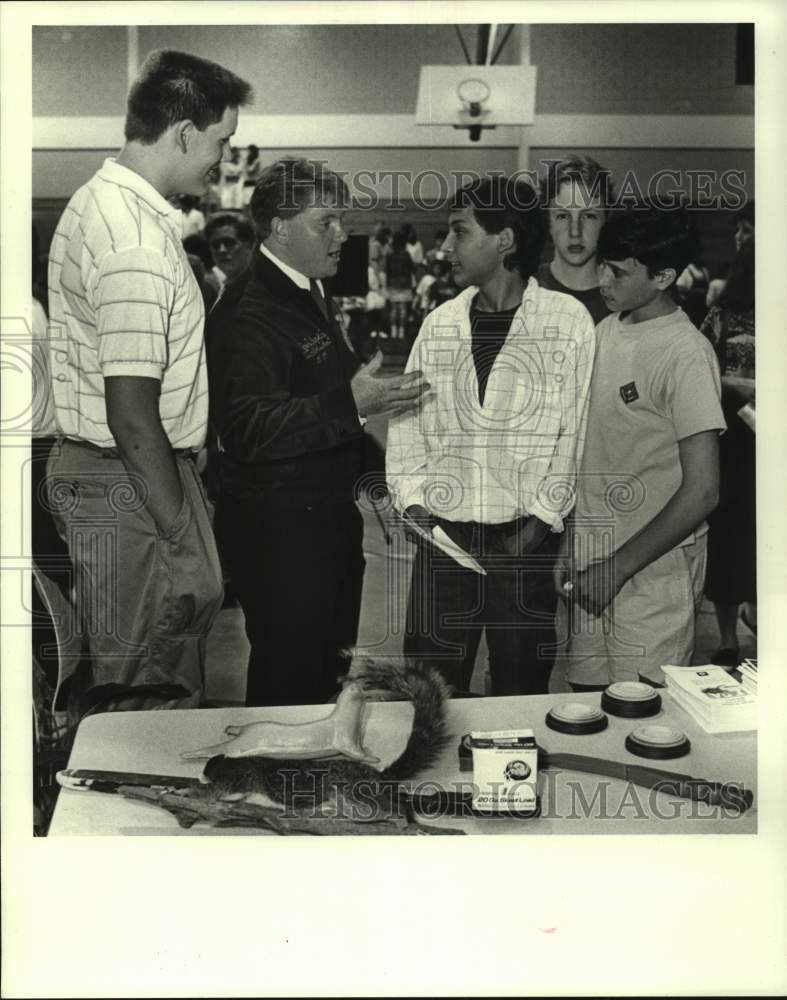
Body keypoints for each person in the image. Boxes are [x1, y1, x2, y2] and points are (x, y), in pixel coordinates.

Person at [45, 49, 252, 713]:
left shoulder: (100, 202)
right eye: (221, 140)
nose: (222, 157)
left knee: (148, 678)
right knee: (146, 697)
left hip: (126, 477)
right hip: (130, 480)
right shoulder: (133, 238)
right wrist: (181, 539)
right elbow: (131, 412)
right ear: (185, 132)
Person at [211, 157, 430, 707]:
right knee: (289, 685)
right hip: (281, 540)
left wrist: (389, 478)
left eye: (341, 220)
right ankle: (282, 789)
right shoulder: (249, 309)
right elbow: (245, 428)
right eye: (326, 222)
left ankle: (314, 785)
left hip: (323, 530)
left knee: (325, 680)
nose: (343, 234)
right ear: (281, 228)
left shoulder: (308, 290)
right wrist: (351, 401)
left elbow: (324, 392)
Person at [386, 176, 596, 696]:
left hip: (524, 547)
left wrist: (539, 525)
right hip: (444, 547)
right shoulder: (439, 324)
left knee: (519, 694)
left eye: (459, 232)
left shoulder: (567, 322)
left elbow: (573, 435)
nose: (447, 246)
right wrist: (413, 505)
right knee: (428, 693)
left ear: (504, 240)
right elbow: (407, 425)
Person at [557, 205, 725, 691]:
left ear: (664, 276)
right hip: (593, 565)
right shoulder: (606, 330)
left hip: (653, 573)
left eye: (618, 271)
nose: (602, 280)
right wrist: (571, 543)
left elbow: (703, 492)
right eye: (602, 265)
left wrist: (618, 567)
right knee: (584, 710)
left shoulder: (685, 354)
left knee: (641, 725)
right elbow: (591, 452)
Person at [699, 227, 756, 667]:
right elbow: (701, 373)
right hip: (735, 440)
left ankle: (758, 620)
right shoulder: (723, 313)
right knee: (729, 538)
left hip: (769, 439)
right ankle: (725, 637)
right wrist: (742, 385)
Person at [537, 154, 614, 325]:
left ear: (606, 221)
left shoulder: (626, 298)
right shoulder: (526, 290)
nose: (575, 232)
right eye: (563, 216)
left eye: (588, 216)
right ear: (548, 222)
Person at [204, 211, 255, 286]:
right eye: (215, 245)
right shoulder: (221, 286)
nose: (222, 250)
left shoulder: (262, 287)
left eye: (229, 243)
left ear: (248, 246)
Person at [385, 230, 415, 341]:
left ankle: (393, 330)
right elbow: (412, 269)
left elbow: (387, 270)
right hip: (405, 282)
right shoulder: (406, 254)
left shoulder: (389, 254)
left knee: (393, 308)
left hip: (392, 283)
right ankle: (401, 331)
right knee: (402, 309)